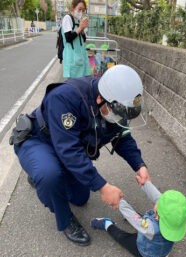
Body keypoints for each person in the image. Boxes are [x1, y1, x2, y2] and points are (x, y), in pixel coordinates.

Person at [11, 65, 150, 246]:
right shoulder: (65, 97)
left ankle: (44, 174)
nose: (119, 119)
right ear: (100, 98)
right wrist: (102, 186)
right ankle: (65, 219)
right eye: (117, 115)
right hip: (39, 141)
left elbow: (122, 137)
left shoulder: (113, 105)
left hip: (66, 147)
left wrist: (139, 165)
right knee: (49, 175)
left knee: (80, 198)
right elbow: (70, 151)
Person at [91, 181, 186, 257]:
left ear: (159, 214)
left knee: (123, 237)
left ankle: (106, 224)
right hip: (163, 252)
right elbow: (158, 198)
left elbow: (133, 218)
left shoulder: (151, 228)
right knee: (143, 222)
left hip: (148, 254)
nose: (158, 200)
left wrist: (120, 202)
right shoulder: (177, 217)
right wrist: (145, 183)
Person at [61, 0, 91, 78]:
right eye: (79, 9)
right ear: (73, 8)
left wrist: (83, 29)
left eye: (83, 10)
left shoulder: (79, 20)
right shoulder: (67, 18)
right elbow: (68, 38)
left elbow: (83, 39)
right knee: (73, 84)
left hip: (81, 56)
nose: (81, 12)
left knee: (82, 83)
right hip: (72, 58)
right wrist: (80, 27)